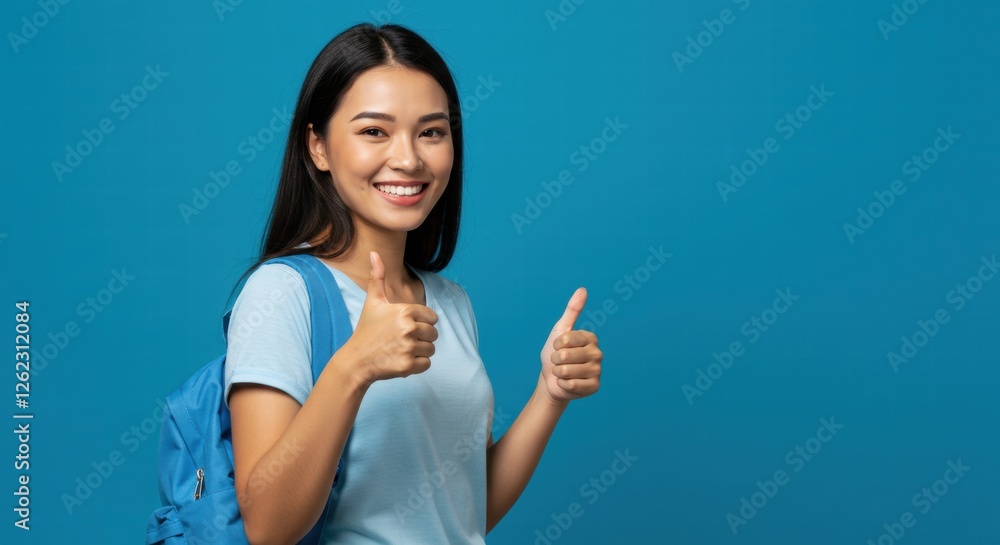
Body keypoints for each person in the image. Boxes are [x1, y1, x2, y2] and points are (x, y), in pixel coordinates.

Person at [222, 22, 603, 544]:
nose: (409, 158)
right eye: (374, 131)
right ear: (318, 147)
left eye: (431, 131)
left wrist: (550, 395)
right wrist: (355, 365)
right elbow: (268, 527)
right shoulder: (280, 294)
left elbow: (465, 512)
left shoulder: (451, 303)